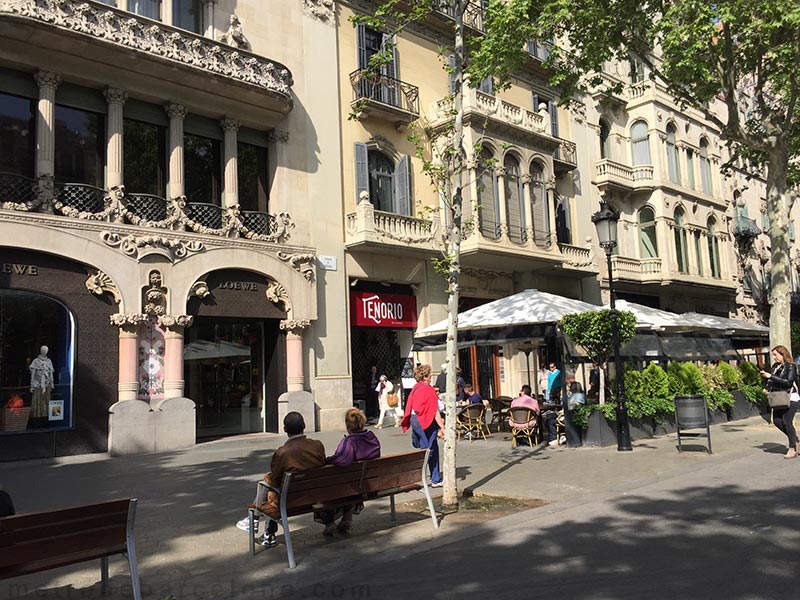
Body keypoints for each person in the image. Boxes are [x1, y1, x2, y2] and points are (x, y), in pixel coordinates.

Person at [236, 412, 325, 547]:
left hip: (290, 501)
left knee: (269, 488)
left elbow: (275, 480)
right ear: (304, 426)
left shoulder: (282, 452)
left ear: (284, 429)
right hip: (316, 495)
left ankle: (259, 525)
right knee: (275, 489)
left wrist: (266, 478)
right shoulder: (317, 445)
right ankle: (258, 525)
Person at [317, 409, 381, 535]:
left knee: (326, 488)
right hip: (367, 484)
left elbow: (342, 460)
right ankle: (347, 519)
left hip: (352, 486)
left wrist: (327, 460)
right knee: (352, 483)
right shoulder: (371, 437)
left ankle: (330, 523)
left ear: (347, 426)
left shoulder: (350, 441)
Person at [401, 363, 445, 487]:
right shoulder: (428, 389)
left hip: (415, 419)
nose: (431, 376)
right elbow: (434, 410)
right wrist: (442, 427)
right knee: (428, 449)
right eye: (430, 374)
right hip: (425, 420)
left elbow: (412, 406)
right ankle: (426, 476)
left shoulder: (415, 387)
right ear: (425, 376)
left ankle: (436, 478)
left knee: (433, 448)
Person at [760, 345, 799, 459]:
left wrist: (771, 376)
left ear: (783, 354)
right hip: (778, 398)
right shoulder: (776, 367)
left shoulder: (791, 366)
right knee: (777, 421)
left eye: (776, 355)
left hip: (790, 397)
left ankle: (792, 449)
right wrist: (766, 382)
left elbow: (788, 382)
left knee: (787, 421)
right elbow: (773, 381)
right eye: (773, 355)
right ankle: (795, 440)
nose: (775, 358)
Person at [29, 345, 54, 419]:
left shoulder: (49, 361)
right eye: (43, 350)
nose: (44, 351)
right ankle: (36, 418)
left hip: (46, 386)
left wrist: (52, 384)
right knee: (37, 402)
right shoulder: (35, 361)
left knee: (46, 402)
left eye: (46, 350)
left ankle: (46, 417)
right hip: (37, 386)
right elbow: (33, 375)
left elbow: (51, 373)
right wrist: (32, 385)